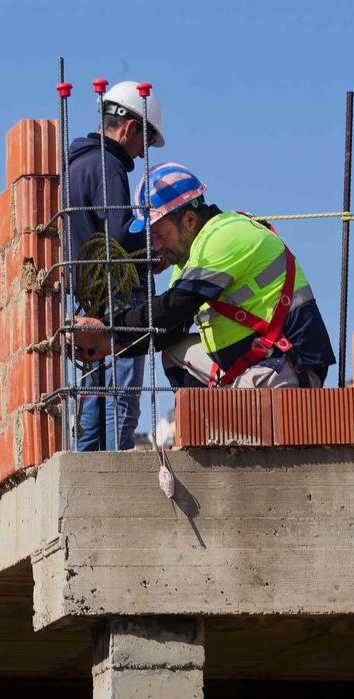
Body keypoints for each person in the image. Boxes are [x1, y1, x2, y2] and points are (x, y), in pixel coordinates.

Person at [73, 163, 335, 388]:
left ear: (189, 220)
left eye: (160, 235)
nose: (156, 246)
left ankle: (224, 422)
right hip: (253, 363)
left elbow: (174, 307)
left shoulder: (225, 235)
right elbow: (169, 328)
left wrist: (107, 328)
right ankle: (204, 424)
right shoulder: (191, 259)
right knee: (175, 352)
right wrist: (111, 343)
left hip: (289, 364)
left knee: (240, 412)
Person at [65, 80, 165, 450]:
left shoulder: (76, 164)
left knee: (92, 398)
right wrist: (157, 247)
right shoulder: (108, 166)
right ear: (129, 128)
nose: (142, 152)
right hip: (117, 300)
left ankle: (87, 472)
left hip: (87, 301)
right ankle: (113, 473)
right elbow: (119, 237)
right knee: (120, 399)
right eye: (145, 140)